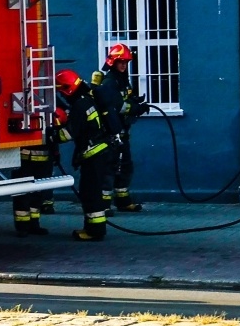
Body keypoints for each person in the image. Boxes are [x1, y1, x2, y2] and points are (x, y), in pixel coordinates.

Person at [55, 69, 116, 241]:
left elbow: (68, 134)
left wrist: (51, 135)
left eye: (61, 92)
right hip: (101, 150)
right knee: (93, 191)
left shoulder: (79, 106)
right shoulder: (88, 99)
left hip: (93, 154)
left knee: (90, 192)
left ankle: (94, 231)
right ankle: (95, 228)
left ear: (67, 89)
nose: (62, 95)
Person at [92, 43, 148, 213]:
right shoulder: (110, 82)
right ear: (113, 62)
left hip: (123, 132)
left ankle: (123, 201)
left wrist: (135, 101)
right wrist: (136, 108)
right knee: (110, 167)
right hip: (111, 134)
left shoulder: (122, 80)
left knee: (125, 166)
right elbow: (119, 107)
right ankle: (103, 205)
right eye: (120, 62)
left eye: (126, 62)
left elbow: (125, 99)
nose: (123, 65)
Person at [11, 109, 63, 237]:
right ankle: (22, 227)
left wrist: (55, 153)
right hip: (25, 161)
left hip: (42, 161)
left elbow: (54, 135)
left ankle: (34, 224)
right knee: (22, 193)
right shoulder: (22, 112)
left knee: (38, 194)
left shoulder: (51, 111)